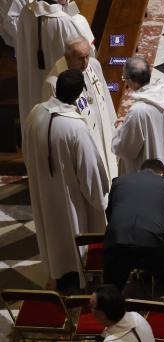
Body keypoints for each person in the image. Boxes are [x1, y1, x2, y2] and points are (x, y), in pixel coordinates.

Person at [22, 69, 108, 292]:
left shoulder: (34, 113)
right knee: (73, 227)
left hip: (43, 190)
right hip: (70, 195)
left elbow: (26, 152)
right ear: (79, 94)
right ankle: (79, 275)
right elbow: (89, 170)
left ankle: (58, 272)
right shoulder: (75, 126)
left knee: (52, 230)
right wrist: (100, 197)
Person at [112, 56, 164, 231]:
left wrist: (120, 128)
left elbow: (125, 149)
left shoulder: (138, 111)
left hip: (150, 169)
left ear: (131, 81)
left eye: (125, 80)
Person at [102, 159, 164, 307]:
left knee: (111, 287)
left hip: (117, 240)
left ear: (140, 170)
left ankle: (107, 318)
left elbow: (110, 213)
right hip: (151, 241)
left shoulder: (118, 181)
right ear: (162, 175)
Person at [43, 36, 118, 179]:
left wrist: (113, 125)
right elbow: (55, 125)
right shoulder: (54, 83)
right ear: (67, 57)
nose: (85, 63)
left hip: (104, 131)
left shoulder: (94, 65)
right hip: (82, 142)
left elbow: (106, 97)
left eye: (87, 56)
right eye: (80, 58)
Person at [15, 0, 93, 121]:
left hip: (33, 91)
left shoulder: (25, 13)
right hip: (61, 98)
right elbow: (87, 56)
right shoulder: (65, 22)